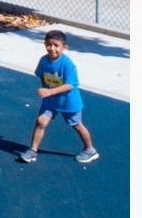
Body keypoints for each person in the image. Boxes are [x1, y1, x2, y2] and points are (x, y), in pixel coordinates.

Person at [19, 30, 99, 164]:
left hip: (68, 102)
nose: (52, 48)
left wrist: (49, 92)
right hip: (51, 100)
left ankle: (90, 150)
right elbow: (42, 76)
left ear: (64, 47)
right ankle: (33, 150)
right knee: (41, 121)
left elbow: (70, 85)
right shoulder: (44, 60)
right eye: (48, 45)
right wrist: (45, 91)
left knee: (77, 125)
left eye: (56, 45)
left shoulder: (67, 64)